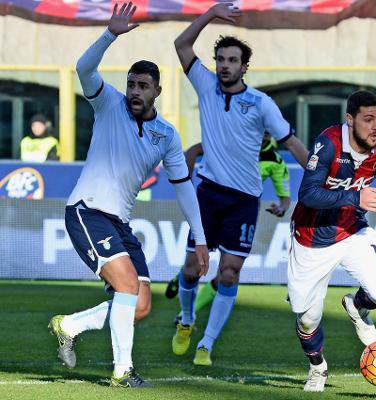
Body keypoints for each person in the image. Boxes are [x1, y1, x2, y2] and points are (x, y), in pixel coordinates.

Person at [47, 2, 209, 388]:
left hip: (120, 221)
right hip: (86, 212)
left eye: (143, 86)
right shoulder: (108, 105)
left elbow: (184, 186)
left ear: (157, 90)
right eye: (132, 84)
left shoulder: (167, 135)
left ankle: (69, 325)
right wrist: (109, 35)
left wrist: (200, 238)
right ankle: (123, 372)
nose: (135, 91)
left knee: (138, 305)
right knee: (125, 287)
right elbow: (83, 69)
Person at [171, 2, 308, 367]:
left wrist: (315, 171)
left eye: (232, 60)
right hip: (208, 194)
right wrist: (211, 14)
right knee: (189, 270)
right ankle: (186, 321)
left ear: (244, 66)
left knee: (228, 273)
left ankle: (207, 344)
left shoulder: (261, 103)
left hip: (245, 200)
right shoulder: (204, 85)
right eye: (221, 59)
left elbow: (290, 142)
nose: (225, 65)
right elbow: (182, 45)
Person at [288, 90, 376, 392]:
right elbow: (307, 194)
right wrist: (356, 195)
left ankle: (357, 307)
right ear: (350, 119)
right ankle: (318, 367)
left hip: (352, 229)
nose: (375, 126)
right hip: (312, 238)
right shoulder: (329, 143)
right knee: (307, 320)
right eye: (368, 119)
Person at [165, 132, 293, 320]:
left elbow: (285, 197)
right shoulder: (231, 138)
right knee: (194, 266)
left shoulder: (275, 160)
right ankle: (184, 277)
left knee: (227, 274)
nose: (261, 134)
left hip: (243, 213)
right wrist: (186, 182)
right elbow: (194, 150)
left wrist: (281, 208)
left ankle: (185, 315)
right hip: (214, 206)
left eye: (266, 130)